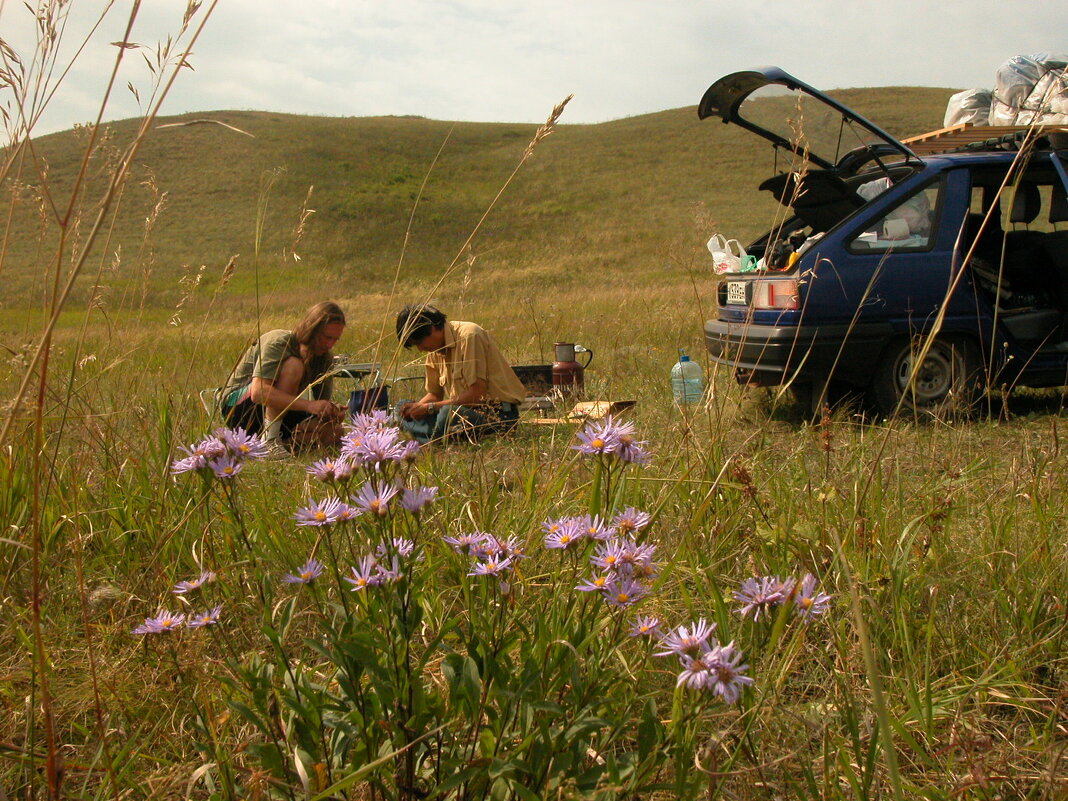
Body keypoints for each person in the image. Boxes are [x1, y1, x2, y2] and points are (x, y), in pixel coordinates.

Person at [219, 301, 348, 449]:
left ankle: (279, 445)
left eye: (335, 339)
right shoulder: (279, 342)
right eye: (327, 337)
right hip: (239, 409)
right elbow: (259, 393)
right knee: (294, 365)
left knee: (334, 432)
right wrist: (309, 405)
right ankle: (270, 442)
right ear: (312, 329)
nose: (330, 344)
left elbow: (320, 405)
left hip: (280, 413)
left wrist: (331, 413)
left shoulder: (324, 358)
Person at [395, 304, 527, 443]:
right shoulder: (434, 349)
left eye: (419, 342)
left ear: (432, 328)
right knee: (401, 407)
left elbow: (477, 395)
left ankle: (421, 437)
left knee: (448, 414)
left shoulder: (469, 336)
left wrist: (429, 408)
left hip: (496, 416)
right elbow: (434, 394)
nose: (421, 349)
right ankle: (429, 436)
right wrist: (414, 411)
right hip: (460, 412)